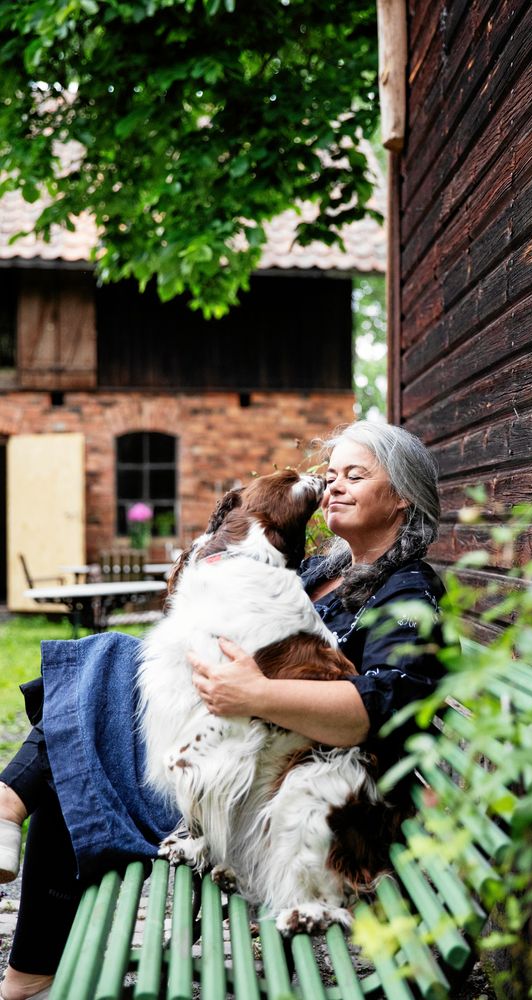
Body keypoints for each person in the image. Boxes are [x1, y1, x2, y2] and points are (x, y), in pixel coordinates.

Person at [0, 420, 444, 1000]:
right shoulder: (323, 573)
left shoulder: (407, 595)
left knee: (82, 735)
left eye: (355, 475)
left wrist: (255, 694)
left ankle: (11, 825)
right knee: (90, 708)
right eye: (332, 474)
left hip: (283, 802)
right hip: (229, 768)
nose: (334, 485)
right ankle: (15, 856)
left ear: (403, 497)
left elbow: (382, 707)